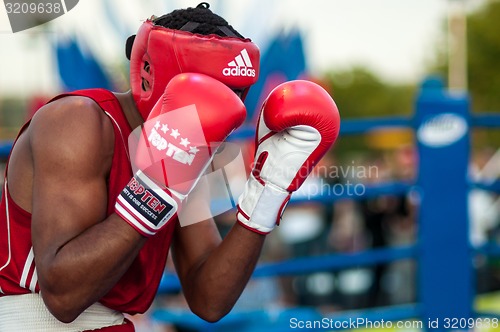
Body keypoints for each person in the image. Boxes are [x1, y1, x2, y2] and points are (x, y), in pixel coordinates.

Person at [0, 3, 340, 331]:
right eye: (205, 90)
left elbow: (209, 300)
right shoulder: (76, 121)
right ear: (148, 74)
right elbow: (63, 297)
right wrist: (154, 189)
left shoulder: (192, 149)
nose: (219, 106)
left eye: (232, 92)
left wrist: (266, 193)